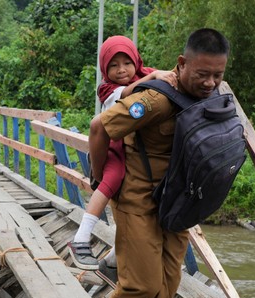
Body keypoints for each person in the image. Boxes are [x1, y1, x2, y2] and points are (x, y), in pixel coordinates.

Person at [87, 28, 230, 298]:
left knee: (167, 288)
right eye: (202, 74)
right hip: (137, 201)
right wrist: (99, 175)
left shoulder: (211, 97)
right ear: (182, 65)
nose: (211, 83)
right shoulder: (155, 99)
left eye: (218, 74)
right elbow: (99, 127)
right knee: (143, 283)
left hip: (177, 205)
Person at [68, 36, 177, 279]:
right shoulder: (107, 89)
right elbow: (129, 92)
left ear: (136, 61)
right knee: (113, 180)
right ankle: (81, 238)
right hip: (112, 144)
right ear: (104, 70)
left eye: (126, 63)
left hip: (136, 148)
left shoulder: (146, 73)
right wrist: (153, 77)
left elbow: (170, 79)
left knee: (139, 197)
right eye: (113, 66)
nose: (121, 70)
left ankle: (114, 259)